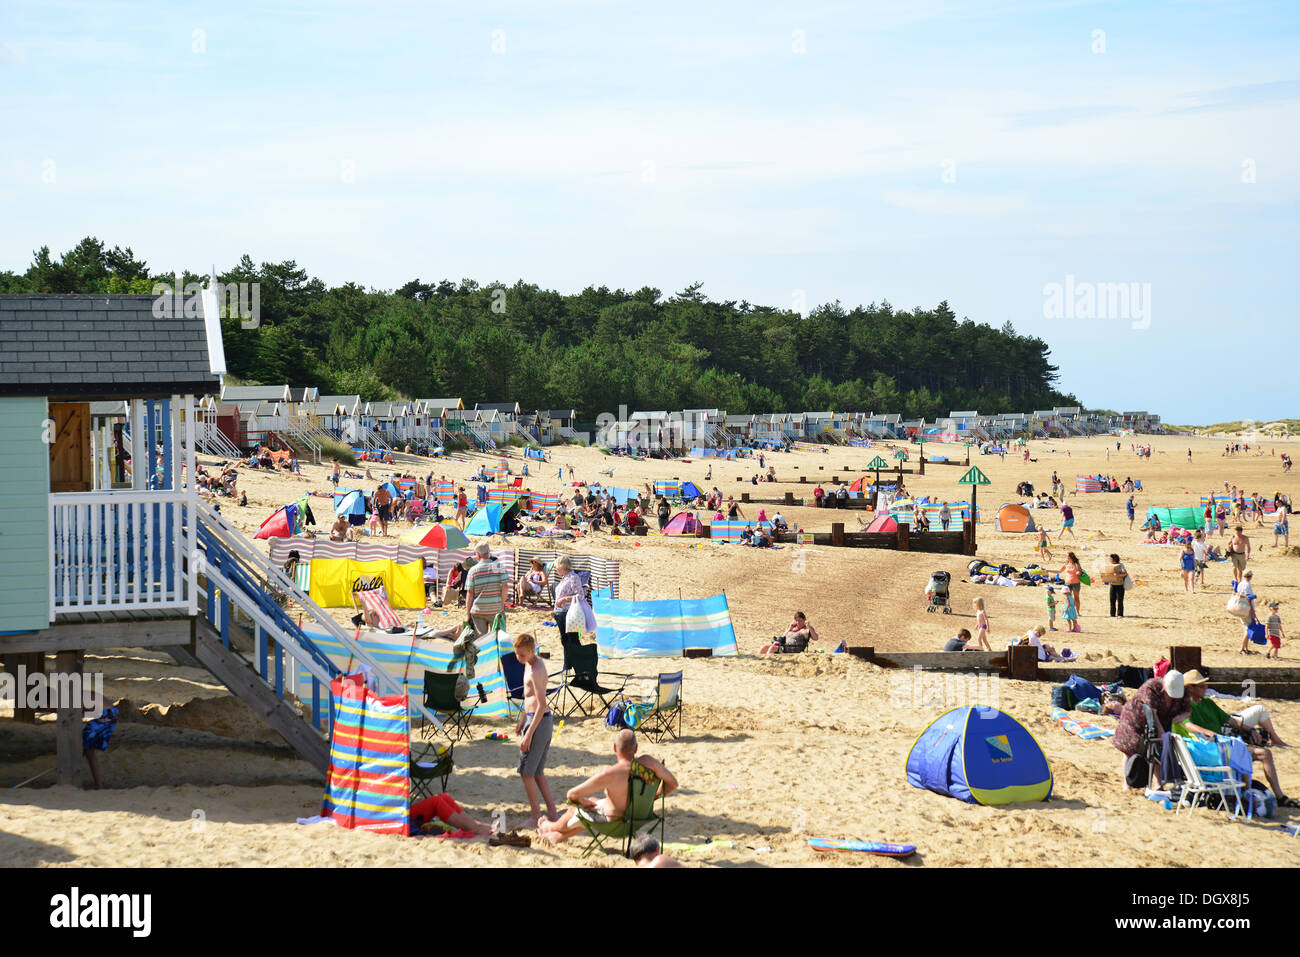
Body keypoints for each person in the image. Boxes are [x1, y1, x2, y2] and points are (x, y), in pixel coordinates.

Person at [1177, 671, 1299, 806]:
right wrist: (1212, 734)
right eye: (1201, 685)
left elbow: (1230, 720)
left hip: (1223, 746)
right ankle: (1248, 796)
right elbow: (1188, 724)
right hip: (1212, 750)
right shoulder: (1186, 706)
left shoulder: (1208, 703)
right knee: (1258, 753)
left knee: (1263, 753)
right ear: (1190, 688)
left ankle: (1279, 796)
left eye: (1205, 684)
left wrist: (1250, 729)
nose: (1205, 687)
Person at [539, 730, 678, 845]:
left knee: (575, 809)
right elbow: (673, 783)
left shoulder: (610, 774)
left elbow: (571, 794)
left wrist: (582, 801)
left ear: (614, 748)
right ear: (636, 748)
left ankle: (548, 827)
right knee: (593, 801)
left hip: (616, 824)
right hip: (639, 818)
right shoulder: (649, 762)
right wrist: (651, 798)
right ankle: (558, 836)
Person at [1113, 672, 1190, 791]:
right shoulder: (1151, 688)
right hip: (1136, 720)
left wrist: (1181, 717)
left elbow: (1187, 710)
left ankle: (1158, 783)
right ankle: (1128, 783)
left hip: (1164, 721)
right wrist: (1161, 734)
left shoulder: (1183, 690)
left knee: (1158, 752)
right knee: (1130, 750)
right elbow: (1153, 715)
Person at [512, 632, 558, 826]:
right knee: (537, 772)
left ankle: (535, 815)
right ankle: (553, 813)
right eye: (517, 654)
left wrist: (529, 734)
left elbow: (541, 704)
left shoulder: (536, 670)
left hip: (539, 722)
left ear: (532, 651)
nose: (519, 658)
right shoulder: (529, 665)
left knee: (526, 772)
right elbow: (528, 699)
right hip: (536, 720)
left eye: (522, 655)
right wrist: (522, 719)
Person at [464, 542, 508, 637]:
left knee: (480, 641)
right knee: (497, 638)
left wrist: (467, 613)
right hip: (496, 609)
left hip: (478, 610)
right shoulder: (498, 566)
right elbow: (505, 587)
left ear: (478, 555)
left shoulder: (473, 570)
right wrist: (501, 604)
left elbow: (470, 593)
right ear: (489, 553)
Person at [411, 792, 497, 837]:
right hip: (401, 818)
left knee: (444, 797)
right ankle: (475, 829)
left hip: (402, 811)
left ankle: (475, 825)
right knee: (436, 801)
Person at [552, 556, 586, 648]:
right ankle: (567, 662)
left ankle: (577, 661)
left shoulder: (573, 577)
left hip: (569, 613)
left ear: (562, 567)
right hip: (560, 612)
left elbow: (580, 595)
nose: (555, 569)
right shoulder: (565, 578)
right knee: (564, 640)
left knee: (572, 640)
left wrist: (564, 599)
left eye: (556, 567)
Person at [1237, 570, 1259, 655]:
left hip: (1241, 607)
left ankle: (1245, 648)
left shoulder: (1241, 583)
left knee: (1245, 627)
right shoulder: (1247, 584)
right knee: (1248, 629)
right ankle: (1242, 648)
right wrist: (1252, 611)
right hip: (1247, 608)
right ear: (1250, 576)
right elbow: (1248, 598)